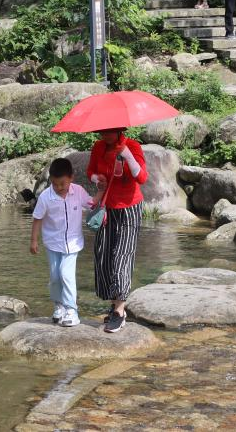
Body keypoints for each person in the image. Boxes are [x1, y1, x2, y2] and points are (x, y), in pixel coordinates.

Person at [87, 128, 147, 333]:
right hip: (106, 207)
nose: (105, 135)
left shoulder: (133, 146)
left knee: (122, 255)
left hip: (129, 207)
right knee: (104, 256)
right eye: (101, 132)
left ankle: (120, 311)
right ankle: (114, 304)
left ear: (120, 130)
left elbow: (142, 177)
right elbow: (91, 171)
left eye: (109, 132)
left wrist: (127, 155)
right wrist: (97, 179)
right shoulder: (98, 147)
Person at [30, 157, 91, 328]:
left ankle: (72, 310)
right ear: (51, 180)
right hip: (52, 243)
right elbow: (37, 218)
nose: (59, 187)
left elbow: (92, 204)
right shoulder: (45, 197)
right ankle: (59, 305)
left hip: (73, 243)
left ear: (71, 177)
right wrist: (34, 241)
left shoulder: (78, 191)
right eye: (55, 184)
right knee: (55, 276)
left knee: (66, 274)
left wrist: (101, 192)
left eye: (62, 184)